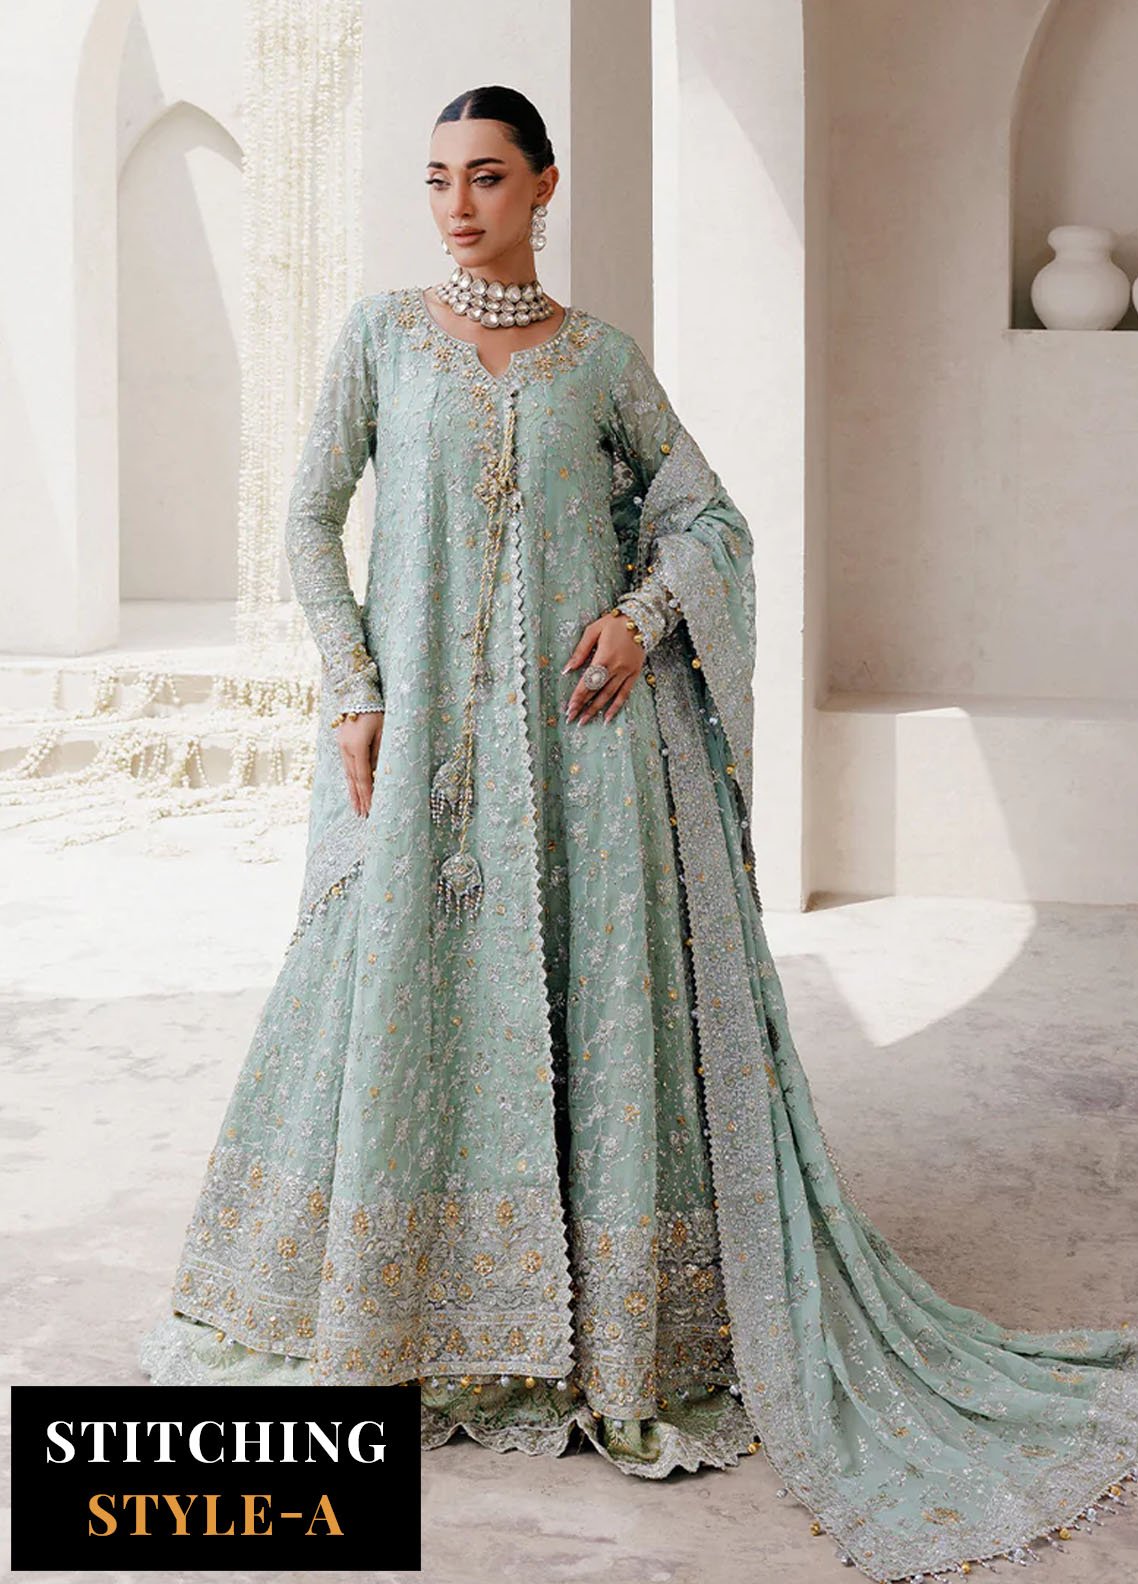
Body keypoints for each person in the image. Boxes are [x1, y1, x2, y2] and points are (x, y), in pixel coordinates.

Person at [139, 84, 1138, 1583]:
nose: (458, 206)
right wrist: (353, 686)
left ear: (544, 187)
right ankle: (418, 1313)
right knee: (398, 998)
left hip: (584, 761)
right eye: (437, 179)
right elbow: (304, 519)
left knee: (583, 1015)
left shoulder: (600, 359)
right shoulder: (380, 338)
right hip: (424, 756)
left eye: (487, 177)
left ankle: (595, 1330)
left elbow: (709, 516)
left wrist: (641, 615)